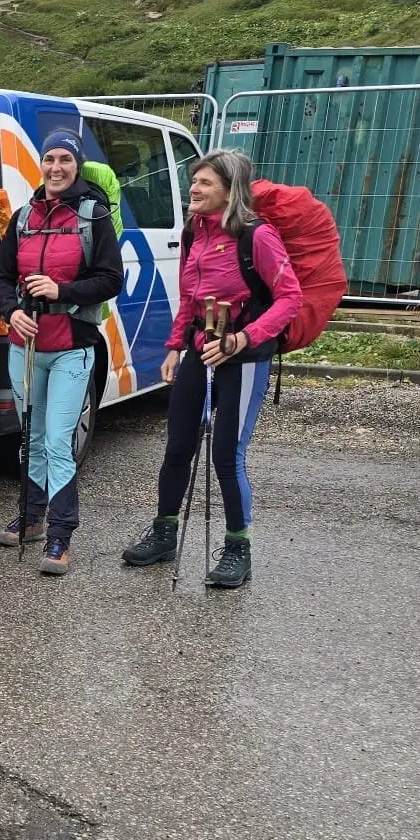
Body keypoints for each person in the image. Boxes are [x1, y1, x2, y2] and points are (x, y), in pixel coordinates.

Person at [122, 148, 301, 588]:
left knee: (225, 455)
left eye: (204, 183)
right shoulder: (193, 232)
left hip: (244, 358)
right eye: (194, 181)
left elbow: (290, 298)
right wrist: (172, 346)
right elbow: (189, 297)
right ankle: (164, 532)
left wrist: (243, 338)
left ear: (229, 190)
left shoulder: (256, 237)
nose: (193, 190)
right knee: (178, 446)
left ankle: (238, 548)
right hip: (198, 353)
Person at [0, 129, 123, 576]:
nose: (56, 168)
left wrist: (60, 289)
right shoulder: (25, 215)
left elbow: (110, 279)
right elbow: (1, 277)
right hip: (25, 343)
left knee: (56, 440)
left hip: (71, 345)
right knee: (30, 437)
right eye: (49, 159)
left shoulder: (93, 216)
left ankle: (60, 536)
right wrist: (11, 311)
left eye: (65, 159)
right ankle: (31, 518)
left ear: (77, 164)